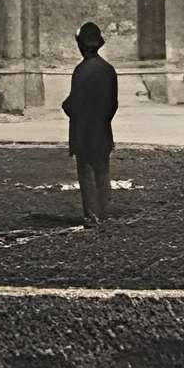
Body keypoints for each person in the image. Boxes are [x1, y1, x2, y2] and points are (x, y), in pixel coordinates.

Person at [61, 21, 118, 228]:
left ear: (81, 46)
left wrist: (66, 106)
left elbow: (73, 105)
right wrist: (102, 119)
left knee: (85, 173)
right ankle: (104, 213)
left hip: (82, 132)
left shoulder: (80, 71)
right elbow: (113, 105)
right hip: (102, 131)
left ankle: (91, 215)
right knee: (103, 172)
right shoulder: (108, 70)